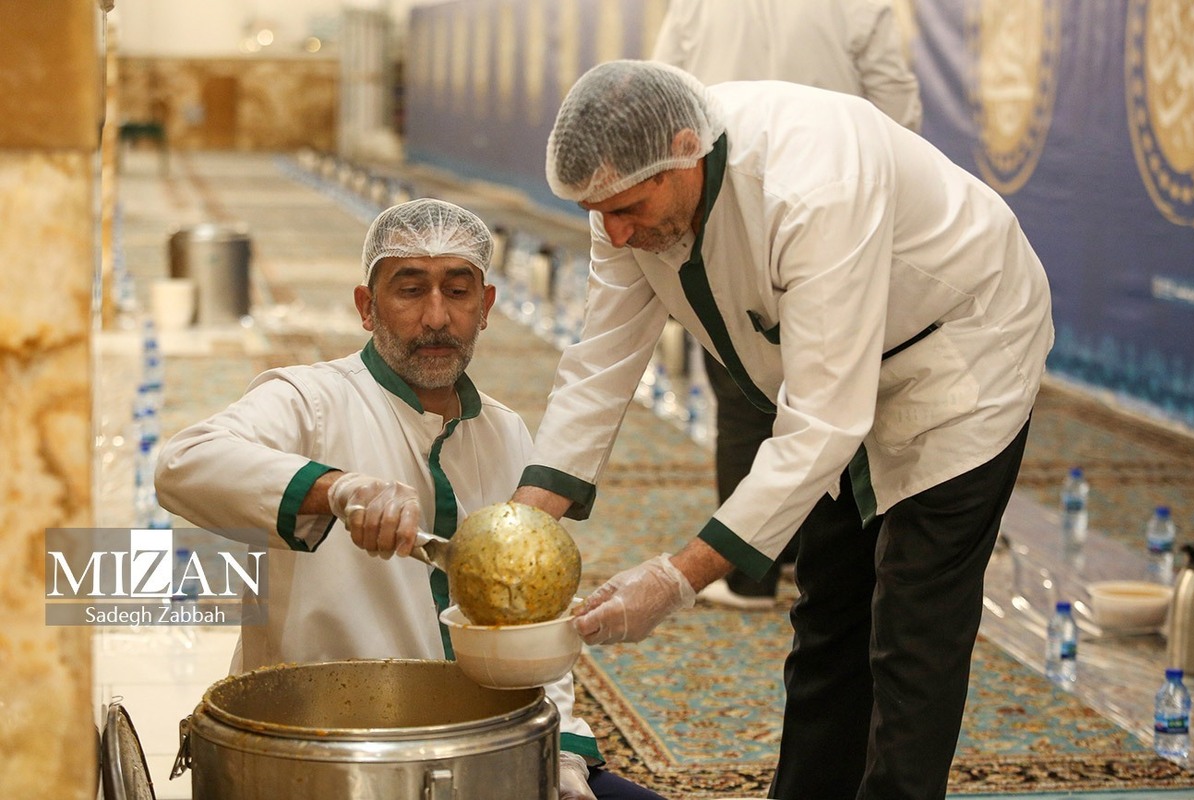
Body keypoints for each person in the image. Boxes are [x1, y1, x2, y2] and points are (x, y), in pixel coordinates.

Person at [510, 61, 1053, 799]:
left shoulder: (811, 181)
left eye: (628, 209)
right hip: (828, 375)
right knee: (830, 610)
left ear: (686, 148)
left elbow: (824, 423)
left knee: (912, 626)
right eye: (596, 213)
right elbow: (601, 362)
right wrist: (520, 532)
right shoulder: (627, 194)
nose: (614, 231)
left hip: (958, 357)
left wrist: (678, 578)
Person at [155, 199, 664, 800]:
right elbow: (183, 463)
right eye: (410, 290)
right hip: (329, 759)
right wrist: (336, 489)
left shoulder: (507, 437)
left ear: (487, 307)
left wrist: (560, 755)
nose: (436, 317)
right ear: (367, 308)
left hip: (481, 751)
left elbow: (532, 624)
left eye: (457, 290)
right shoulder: (308, 401)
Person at [651, 0, 922, 608]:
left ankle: (755, 572)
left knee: (744, 391)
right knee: (834, 387)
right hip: (839, 207)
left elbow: (659, 90)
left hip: (720, 207)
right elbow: (895, 101)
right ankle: (814, 557)